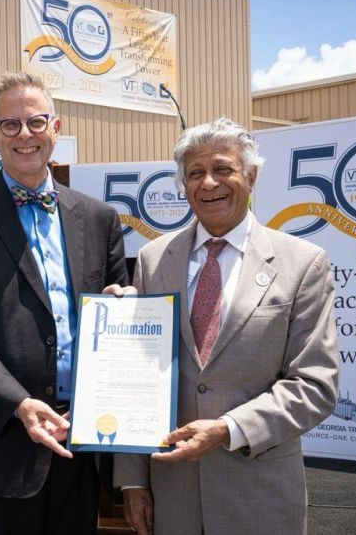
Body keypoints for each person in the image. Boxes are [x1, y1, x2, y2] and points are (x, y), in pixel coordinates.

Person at [0, 71, 129, 535]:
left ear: (56, 128)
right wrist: (18, 403)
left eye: (36, 122)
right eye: (10, 125)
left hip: (82, 443)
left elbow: (117, 321)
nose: (25, 135)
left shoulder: (99, 219)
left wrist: (126, 312)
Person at [114, 117, 340, 535]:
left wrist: (226, 430)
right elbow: (137, 383)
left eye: (223, 169)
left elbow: (315, 384)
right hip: (172, 496)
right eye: (195, 173)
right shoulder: (152, 260)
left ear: (250, 176)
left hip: (259, 495)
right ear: (183, 184)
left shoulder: (302, 263)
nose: (208, 183)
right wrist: (132, 481)